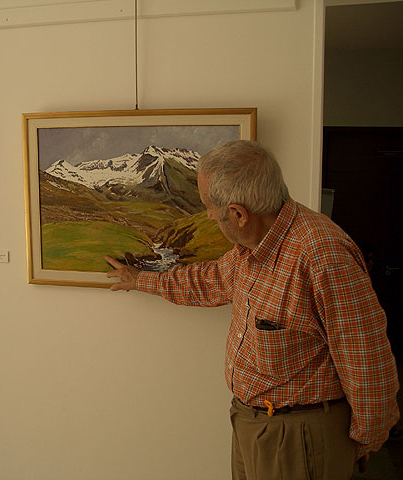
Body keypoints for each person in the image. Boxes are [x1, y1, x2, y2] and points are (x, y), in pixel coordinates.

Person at [105, 140, 400, 479]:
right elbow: (209, 280)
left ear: (239, 214)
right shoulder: (256, 243)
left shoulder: (321, 254)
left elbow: (367, 359)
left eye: (209, 208)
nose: (208, 216)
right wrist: (138, 279)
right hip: (254, 422)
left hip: (299, 436)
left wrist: (362, 441)